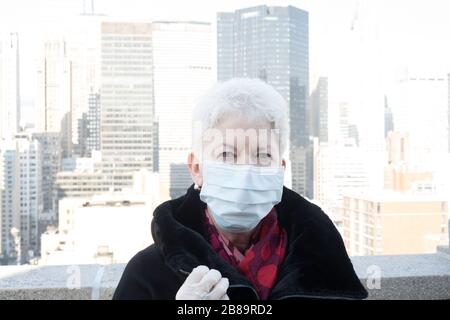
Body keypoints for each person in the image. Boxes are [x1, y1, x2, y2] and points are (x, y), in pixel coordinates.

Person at [112, 78, 368, 300]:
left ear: (280, 170)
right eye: (226, 154)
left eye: (262, 155)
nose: (246, 170)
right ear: (197, 167)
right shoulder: (147, 273)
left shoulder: (327, 266)